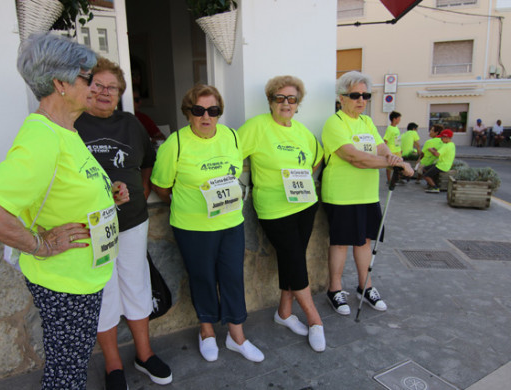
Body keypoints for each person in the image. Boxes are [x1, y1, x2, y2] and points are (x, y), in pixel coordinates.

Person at [0, 33, 129, 389]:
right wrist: (40, 244)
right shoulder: (43, 136)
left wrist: (105, 196)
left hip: (82, 277)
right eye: (87, 77)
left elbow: (63, 189)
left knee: (72, 363)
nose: (95, 86)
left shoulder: (65, 130)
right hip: (64, 283)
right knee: (66, 374)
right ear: (60, 84)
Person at [75, 58, 172, 389]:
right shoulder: (72, 124)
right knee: (104, 291)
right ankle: (113, 363)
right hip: (92, 226)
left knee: (136, 283)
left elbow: (147, 161)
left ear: (120, 93)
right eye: (97, 85)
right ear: (86, 88)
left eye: (111, 88)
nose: (104, 92)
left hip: (132, 221)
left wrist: (142, 190)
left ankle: (144, 354)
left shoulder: (131, 124)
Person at [151, 85, 264, 363]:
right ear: (188, 112)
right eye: (198, 110)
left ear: (219, 113)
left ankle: (237, 335)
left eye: (213, 111)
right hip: (193, 227)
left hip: (230, 222)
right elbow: (162, 186)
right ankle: (207, 331)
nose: (206, 117)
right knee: (202, 278)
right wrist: (187, 205)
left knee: (232, 277)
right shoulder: (175, 144)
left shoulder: (232, 138)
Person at [238, 75, 326, 352]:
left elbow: (317, 158)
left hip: (305, 204)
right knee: (294, 258)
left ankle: (284, 313)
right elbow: (230, 153)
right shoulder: (256, 127)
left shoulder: (302, 132)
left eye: (292, 99)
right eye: (280, 98)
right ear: (270, 101)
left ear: (298, 104)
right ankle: (315, 319)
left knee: (294, 257)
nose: (286, 103)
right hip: (274, 208)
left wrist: (301, 178)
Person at [321, 71, 413, 317]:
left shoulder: (367, 122)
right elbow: (354, 157)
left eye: (366, 95)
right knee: (340, 243)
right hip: (341, 194)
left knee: (365, 241)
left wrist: (395, 159)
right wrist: (390, 164)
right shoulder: (335, 123)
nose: (361, 100)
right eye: (355, 95)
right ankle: (335, 289)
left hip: (367, 194)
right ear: (341, 98)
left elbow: (382, 148)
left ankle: (366, 286)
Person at [422, 129, 456, 193]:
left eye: (442, 137)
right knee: (425, 169)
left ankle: (435, 187)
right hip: (444, 164)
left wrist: (431, 150)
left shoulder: (446, 145)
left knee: (426, 175)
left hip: (442, 166)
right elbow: (441, 152)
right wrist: (435, 150)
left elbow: (436, 154)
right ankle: (432, 183)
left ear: (446, 137)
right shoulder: (452, 144)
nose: (441, 139)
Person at [383, 111, 402, 183]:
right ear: (394, 119)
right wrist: (384, 150)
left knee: (399, 165)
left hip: (397, 150)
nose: (399, 120)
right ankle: (389, 180)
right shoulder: (390, 129)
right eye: (399, 118)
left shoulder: (396, 128)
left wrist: (400, 149)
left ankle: (397, 178)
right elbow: (385, 140)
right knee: (389, 166)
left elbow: (398, 139)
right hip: (391, 150)